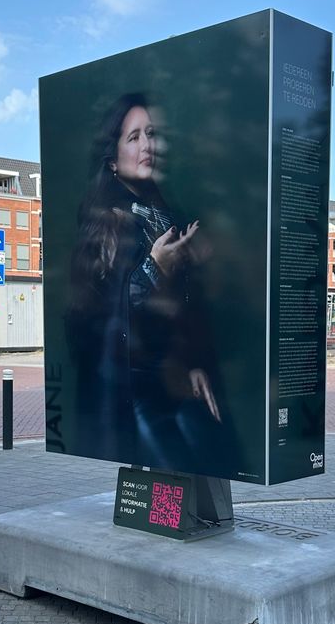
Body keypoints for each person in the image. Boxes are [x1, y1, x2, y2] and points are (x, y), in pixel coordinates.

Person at [66, 92, 237, 474]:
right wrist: (155, 266)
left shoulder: (164, 215)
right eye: (133, 137)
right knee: (173, 477)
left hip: (175, 381)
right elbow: (100, 321)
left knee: (209, 465)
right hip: (133, 392)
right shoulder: (107, 222)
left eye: (152, 133)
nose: (147, 145)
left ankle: (188, 527)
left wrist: (191, 362)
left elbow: (177, 313)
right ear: (112, 160)